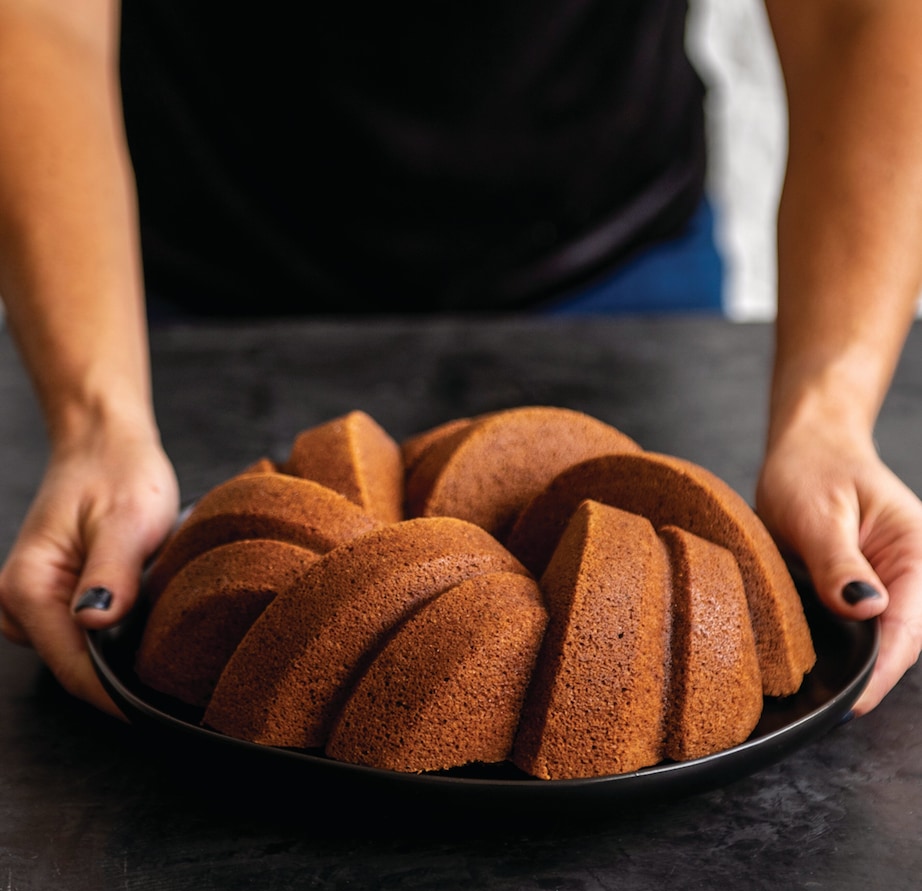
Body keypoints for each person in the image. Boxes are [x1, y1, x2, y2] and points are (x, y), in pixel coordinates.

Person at [0, 0, 921, 722]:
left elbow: (858, 12)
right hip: (180, 283)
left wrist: (830, 420)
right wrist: (97, 422)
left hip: (612, 265)